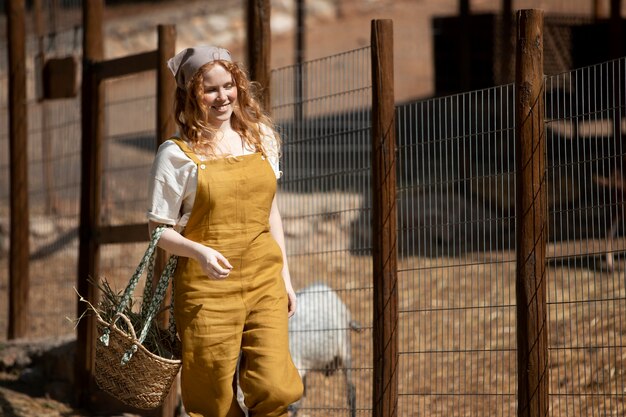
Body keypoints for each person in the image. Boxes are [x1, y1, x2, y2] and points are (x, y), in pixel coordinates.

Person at [146, 45, 303, 417]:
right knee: (212, 398)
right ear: (191, 95)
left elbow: (271, 212)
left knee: (275, 386)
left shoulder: (260, 137)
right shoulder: (176, 155)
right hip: (206, 291)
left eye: (228, 86)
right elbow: (157, 232)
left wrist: (286, 278)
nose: (222, 97)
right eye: (210, 89)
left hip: (264, 279)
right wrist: (199, 252)